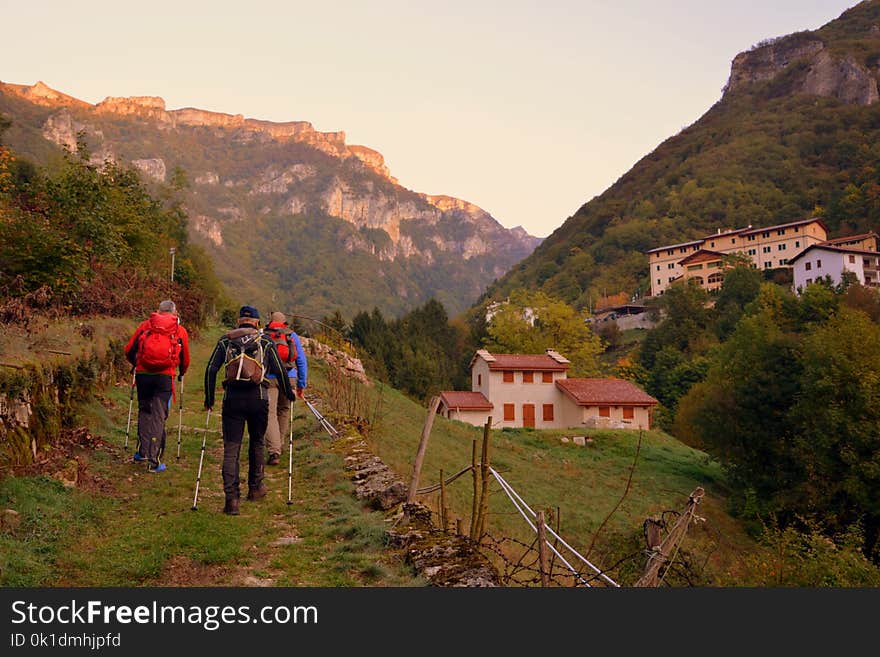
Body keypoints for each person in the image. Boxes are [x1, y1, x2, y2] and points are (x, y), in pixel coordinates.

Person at [203, 305, 296, 515]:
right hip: (258, 398)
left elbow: (211, 369)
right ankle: (255, 488)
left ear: (238, 321)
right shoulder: (264, 341)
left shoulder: (226, 340)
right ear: (256, 322)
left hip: (232, 399)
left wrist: (209, 398)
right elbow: (280, 370)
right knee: (256, 443)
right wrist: (289, 394)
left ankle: (231, 500)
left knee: (231, 448)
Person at [124, 299, 191, 473]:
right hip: (164, 376)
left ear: (158, 311)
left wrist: (137, 363)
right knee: (159, 416)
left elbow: (129, 349)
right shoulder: (179, 330)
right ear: (174, 312)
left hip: (143, 375)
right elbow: (185, 358)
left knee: (145, 410)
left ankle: (142, 452)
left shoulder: (145, 326)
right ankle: (155, 461)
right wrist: (181, 372)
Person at [263, 311, 307, 466]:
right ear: (284, 322)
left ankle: (274, 451)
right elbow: (301, 360)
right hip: (289, 376)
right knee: (284, 410)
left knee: (270, 413)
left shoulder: (265, 334)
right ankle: (279, 445)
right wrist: (301, 384)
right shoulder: (291, 336)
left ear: (271, 322)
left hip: (270, 377)